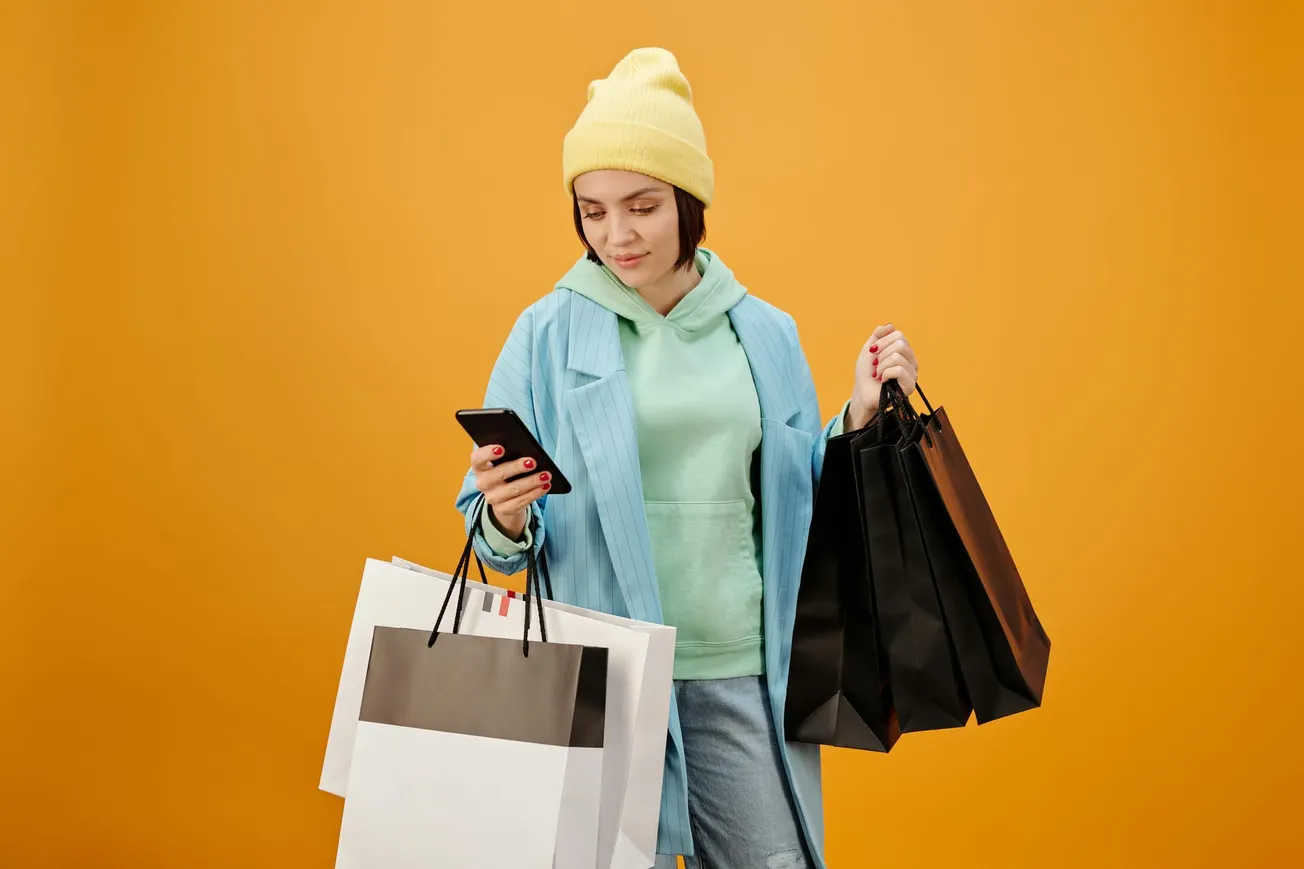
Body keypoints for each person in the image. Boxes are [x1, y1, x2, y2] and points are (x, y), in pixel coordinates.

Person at [455, 47, 920, 869]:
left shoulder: (762, 331)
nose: (618, 234)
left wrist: (857, 412)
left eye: (643, 205)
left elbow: (800, 508)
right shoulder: (546, 332)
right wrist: (504, 508)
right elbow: (495, 541)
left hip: (737, 668)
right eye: (592, 211)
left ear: (689, 201)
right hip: (601, 677)